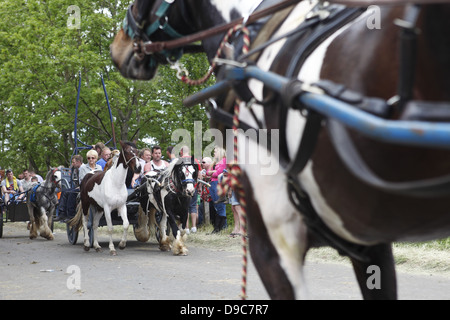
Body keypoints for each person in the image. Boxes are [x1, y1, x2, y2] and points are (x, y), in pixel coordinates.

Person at [179, 146, 202, 233]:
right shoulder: (195, 161)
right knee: (193, 206)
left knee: (185, 207)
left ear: (181, 151)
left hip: (183, 187)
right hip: (193, 186)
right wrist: (199, 186)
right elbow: (199, 174)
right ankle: (194, 227)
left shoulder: (179, 160)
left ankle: (186, 228)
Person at [205, 146, 227, 233]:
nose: (214, 153)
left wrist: (212, 173)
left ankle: (222, 227)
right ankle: (218, 227)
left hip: (218, 183)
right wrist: (212, 172)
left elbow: (218, 173)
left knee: (220, 205)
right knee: (216, 205)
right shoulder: (215, 162)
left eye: (215, 152)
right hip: (212, 183)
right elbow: (207, 172)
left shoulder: (224, 160)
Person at [56, 155, 83, 221]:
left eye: (73, 162)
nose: (72, 164)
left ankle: (71, 214)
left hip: (83, 187)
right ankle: (62, 213)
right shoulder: (76, 169)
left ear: (78, 162)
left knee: (71, 193)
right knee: (64, 191)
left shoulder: (83, 168)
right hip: (78, 187)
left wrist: (80, 186)